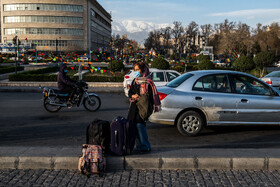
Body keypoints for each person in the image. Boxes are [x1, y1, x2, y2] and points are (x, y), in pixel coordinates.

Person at [127, 62, 161, 153]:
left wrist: (140, 97)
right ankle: (139, 146)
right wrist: (133, 96)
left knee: (140, 125)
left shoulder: (148, 82)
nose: (136, 72)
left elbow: (150, 97)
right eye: (135, 70)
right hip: (134, 107)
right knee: (133, 126)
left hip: (144, 107)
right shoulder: (135, 80)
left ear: (143, 69)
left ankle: (145, 145)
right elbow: (130, 92)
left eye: (137, 69)